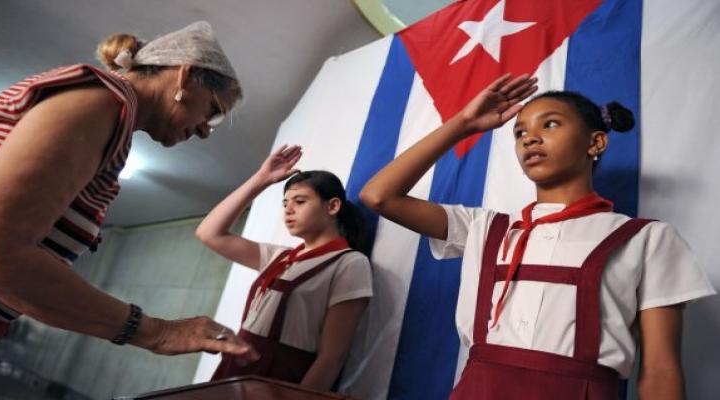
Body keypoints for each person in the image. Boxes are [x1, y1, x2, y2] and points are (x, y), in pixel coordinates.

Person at [0, 21, 259, 397]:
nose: (204, 131)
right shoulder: (103, 100)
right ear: (186, 76)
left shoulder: (109, 115)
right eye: (213, 113)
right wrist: (157, 332)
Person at [360, 74, 715, 399]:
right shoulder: (485, 227)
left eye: (551, 124)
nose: (530, 137)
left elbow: (660, 370)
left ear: (596, 142)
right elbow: (379, 195)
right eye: (519, 132)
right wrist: (464, 124)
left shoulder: (648, 238)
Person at [196, 145, 373, 391]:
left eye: (300, 201)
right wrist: (261, 180)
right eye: (285, 203)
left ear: (332, 207)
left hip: (282, 379)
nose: (288, 209)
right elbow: (209, 233)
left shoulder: (350, 263)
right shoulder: (279, 256)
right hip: (236, 366)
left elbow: (332, 357)